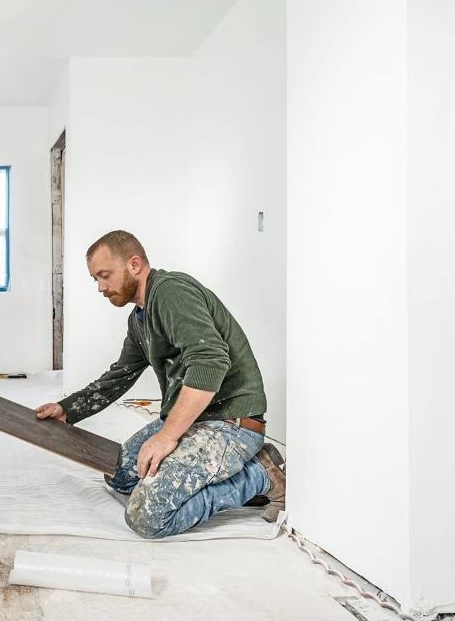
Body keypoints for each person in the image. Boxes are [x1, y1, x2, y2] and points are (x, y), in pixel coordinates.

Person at [36, 230, 286, 538]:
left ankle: (261, 474)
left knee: (149, 517)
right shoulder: (139, 318)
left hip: (230, 423)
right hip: (196, 419)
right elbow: (120, 375)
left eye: (105, 275)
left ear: (135, 264)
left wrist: (168, 436)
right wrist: (66, 410)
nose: (101, 288)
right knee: (120, 475)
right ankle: (212, 472)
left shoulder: (171, 293)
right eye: (95, 280)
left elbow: (210, 361)